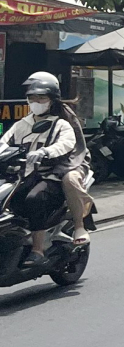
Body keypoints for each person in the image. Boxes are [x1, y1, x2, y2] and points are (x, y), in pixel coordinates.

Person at [0, 73, 95, 266]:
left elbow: (66, 144)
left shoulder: (61, 124)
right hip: (25, 175)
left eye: (41, 98)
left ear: (51, 100)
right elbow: (4, 142)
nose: (36, 102)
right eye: (32, 98)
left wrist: (45, 152)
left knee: (34, 199)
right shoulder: (22, 124)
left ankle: (38, 250)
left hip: (52, 175)